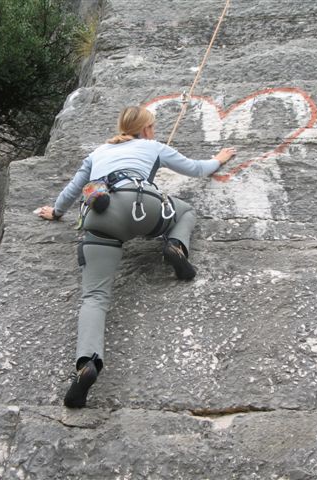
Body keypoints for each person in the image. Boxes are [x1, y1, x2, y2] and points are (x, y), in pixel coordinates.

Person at [37, 105, 236, 408]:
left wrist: (56, 212)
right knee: (185, 210)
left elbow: (72, 189)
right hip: (143, 207)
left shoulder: (97, 153)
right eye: (153, 126)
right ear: (145, 129)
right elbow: (196, 168)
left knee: (94, 297)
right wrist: (218, 159)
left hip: (101, 217)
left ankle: (87, 363)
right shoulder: (153, 146)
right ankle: (176, 246)